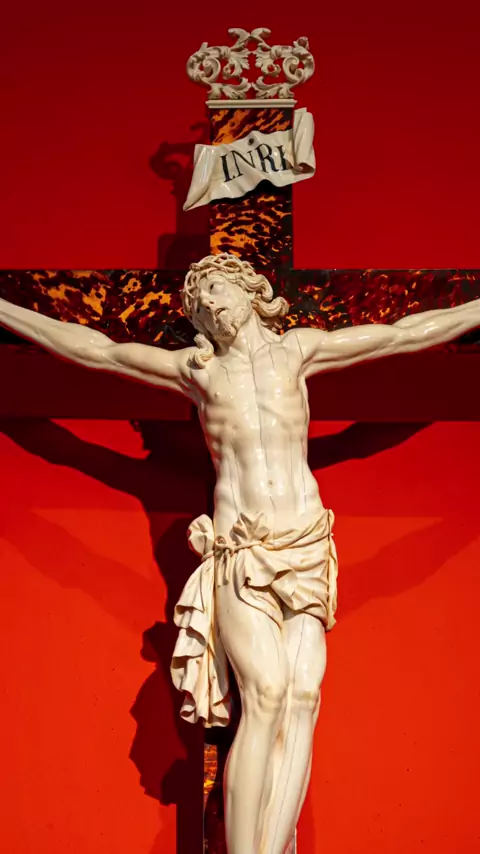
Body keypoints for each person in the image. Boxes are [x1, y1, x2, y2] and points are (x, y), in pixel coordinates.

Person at [1, 253, 479, 854]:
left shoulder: (298, 351)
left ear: (252, 292)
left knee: (303, 699)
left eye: (216, 290)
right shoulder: (197, 372)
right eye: (198, 303)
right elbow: (96, 350)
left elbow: (401, 334)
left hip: (306, 543)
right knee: (267, 694)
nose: (208, 305)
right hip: (242, 551)